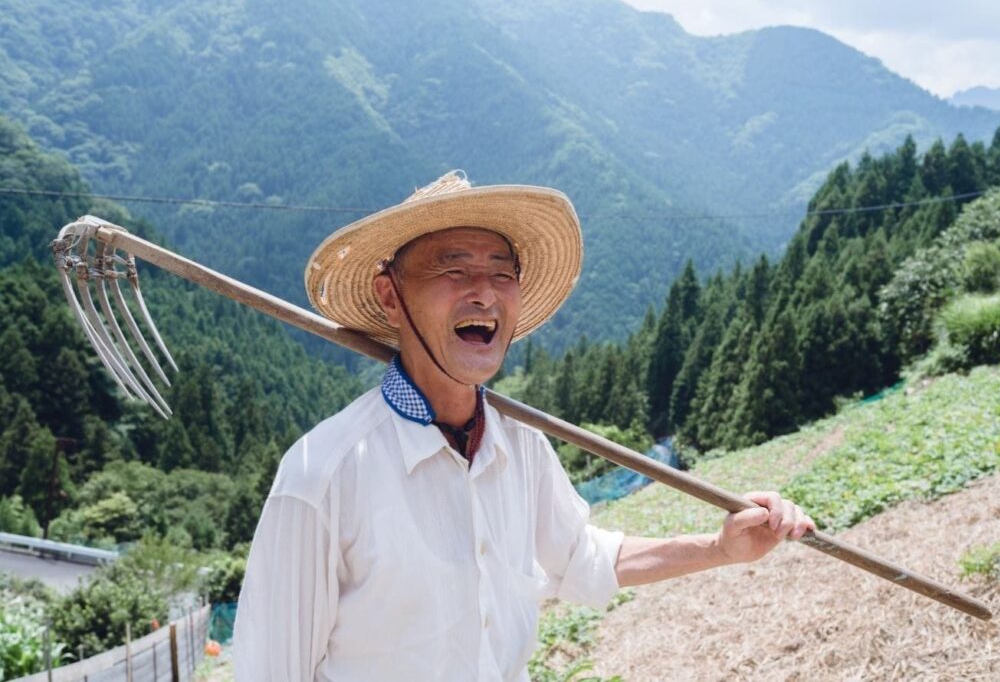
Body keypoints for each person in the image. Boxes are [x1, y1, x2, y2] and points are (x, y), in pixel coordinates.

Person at [233, 171, 815, 681]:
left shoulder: (521, 446)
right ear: (391, 296)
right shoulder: (322, 476)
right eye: (451, 268)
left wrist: (720, 547)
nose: (482, 292)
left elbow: (583, 558)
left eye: (500, 272)